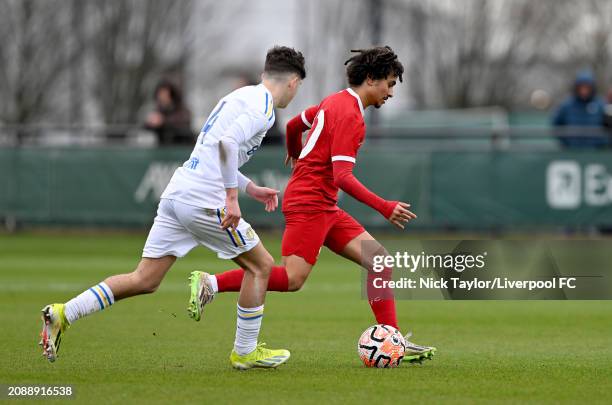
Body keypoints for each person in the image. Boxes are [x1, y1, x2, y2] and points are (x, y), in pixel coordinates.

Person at [40, 46, 307, 370]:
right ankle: (245, 352)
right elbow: (225, 145)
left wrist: (248, 187)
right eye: (299, 87)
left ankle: (63, 313)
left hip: (178, 193)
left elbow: (216, 151)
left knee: (145, 279)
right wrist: (232, 198)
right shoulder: (263, 108)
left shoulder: (238, 97)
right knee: (261, 266)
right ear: (293, 81)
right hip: (204, 201)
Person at [189, 46, 436, 363]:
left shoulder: (334, 101)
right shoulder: (350, 116)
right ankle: (210, 282)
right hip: (310, 203)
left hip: (322, 202)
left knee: (379, 261)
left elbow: (294, 126)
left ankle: (393, 340)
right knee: (292, 279)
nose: (390, 92)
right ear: (371, 79)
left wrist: (295, 153)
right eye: (389, 83)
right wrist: (384, 206)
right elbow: (343, 176)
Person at [552, 70, 608, 148]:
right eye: (581, 87)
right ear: (577, 88)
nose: (584, 91)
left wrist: (601, 143)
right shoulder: (566, 105)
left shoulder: (600, 104)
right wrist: (566, 143)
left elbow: (608, 127)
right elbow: (556, 125)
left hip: (595, 154)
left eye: (587, 87)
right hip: (572, 152)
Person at [144, 80, 194, 146]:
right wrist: (150, 123)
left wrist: (163, 121)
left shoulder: (182, 110)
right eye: (160, 95)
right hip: (163, 149)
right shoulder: (158, 110)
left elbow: (183, 123)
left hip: (181, 148)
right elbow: (146, 127)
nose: (162, 97)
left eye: (165, 94)